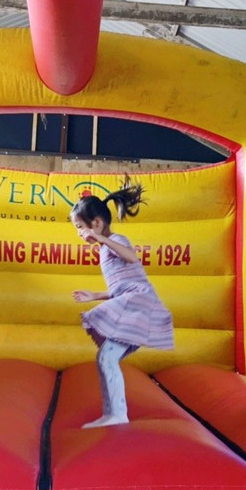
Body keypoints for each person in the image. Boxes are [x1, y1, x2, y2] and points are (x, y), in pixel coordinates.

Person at [70, 177, 174, 428]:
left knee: (106, 358)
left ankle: (117, 414)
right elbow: (119, 288)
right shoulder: (105, 251)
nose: (79, 233)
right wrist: (95, 295)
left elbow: (131, 257)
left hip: (139, 305)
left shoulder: (117, 242)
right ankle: (113, 413)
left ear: (96, 223)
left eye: (80, 227)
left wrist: (102, 239)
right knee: (105, 358)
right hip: (131, 303)